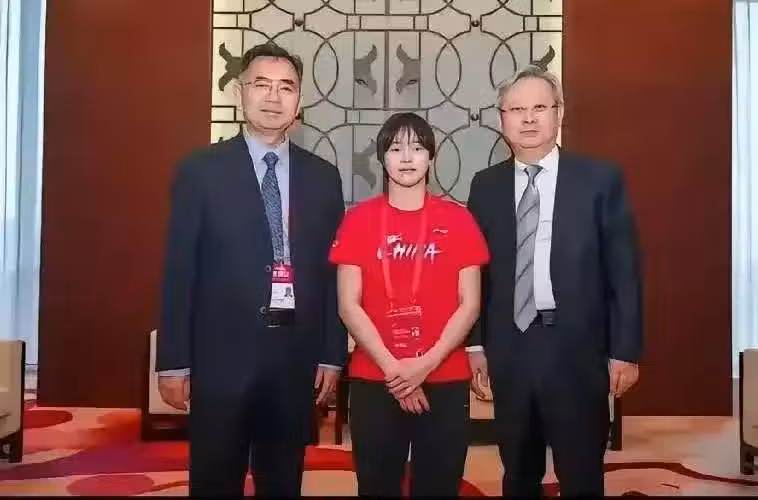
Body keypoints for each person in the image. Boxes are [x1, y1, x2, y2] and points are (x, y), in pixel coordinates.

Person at [155, 42, 347, 497]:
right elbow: (179, 271)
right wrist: (174, 360)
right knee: (214, 481)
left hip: (294, 359)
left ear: (300, 101)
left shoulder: (324, 177)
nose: (273, 97)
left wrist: (331, 353)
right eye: (261, 85)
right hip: (220, 359)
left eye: (287, 87)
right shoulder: (200, 171)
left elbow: (332, 273)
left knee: (282, 481)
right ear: (240, 92)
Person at [465, 65, 643, 497]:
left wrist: (625, 350)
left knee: (581, 472)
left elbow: (624, 269)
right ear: (501, 119)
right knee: (517, 470)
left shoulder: (599, 179)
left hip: (577, 349)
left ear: (559, 112)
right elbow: (475, 273)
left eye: (540, 107)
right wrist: (475, 344)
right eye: (517, 110)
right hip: (510, 347)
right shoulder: (485, 186)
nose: (529, 119)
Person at [329, 112, 490, 496]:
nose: (406, 158)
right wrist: (397, 373)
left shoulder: (459, 220)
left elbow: (470, 304)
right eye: (395, 148)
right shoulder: (357, 220)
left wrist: (425, 365)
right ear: (382, 158)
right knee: (376, 485)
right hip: (375, 378)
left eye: (417, 148)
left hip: (445, 377)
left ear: (431, 157)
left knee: (439, 485)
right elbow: (348, 305)